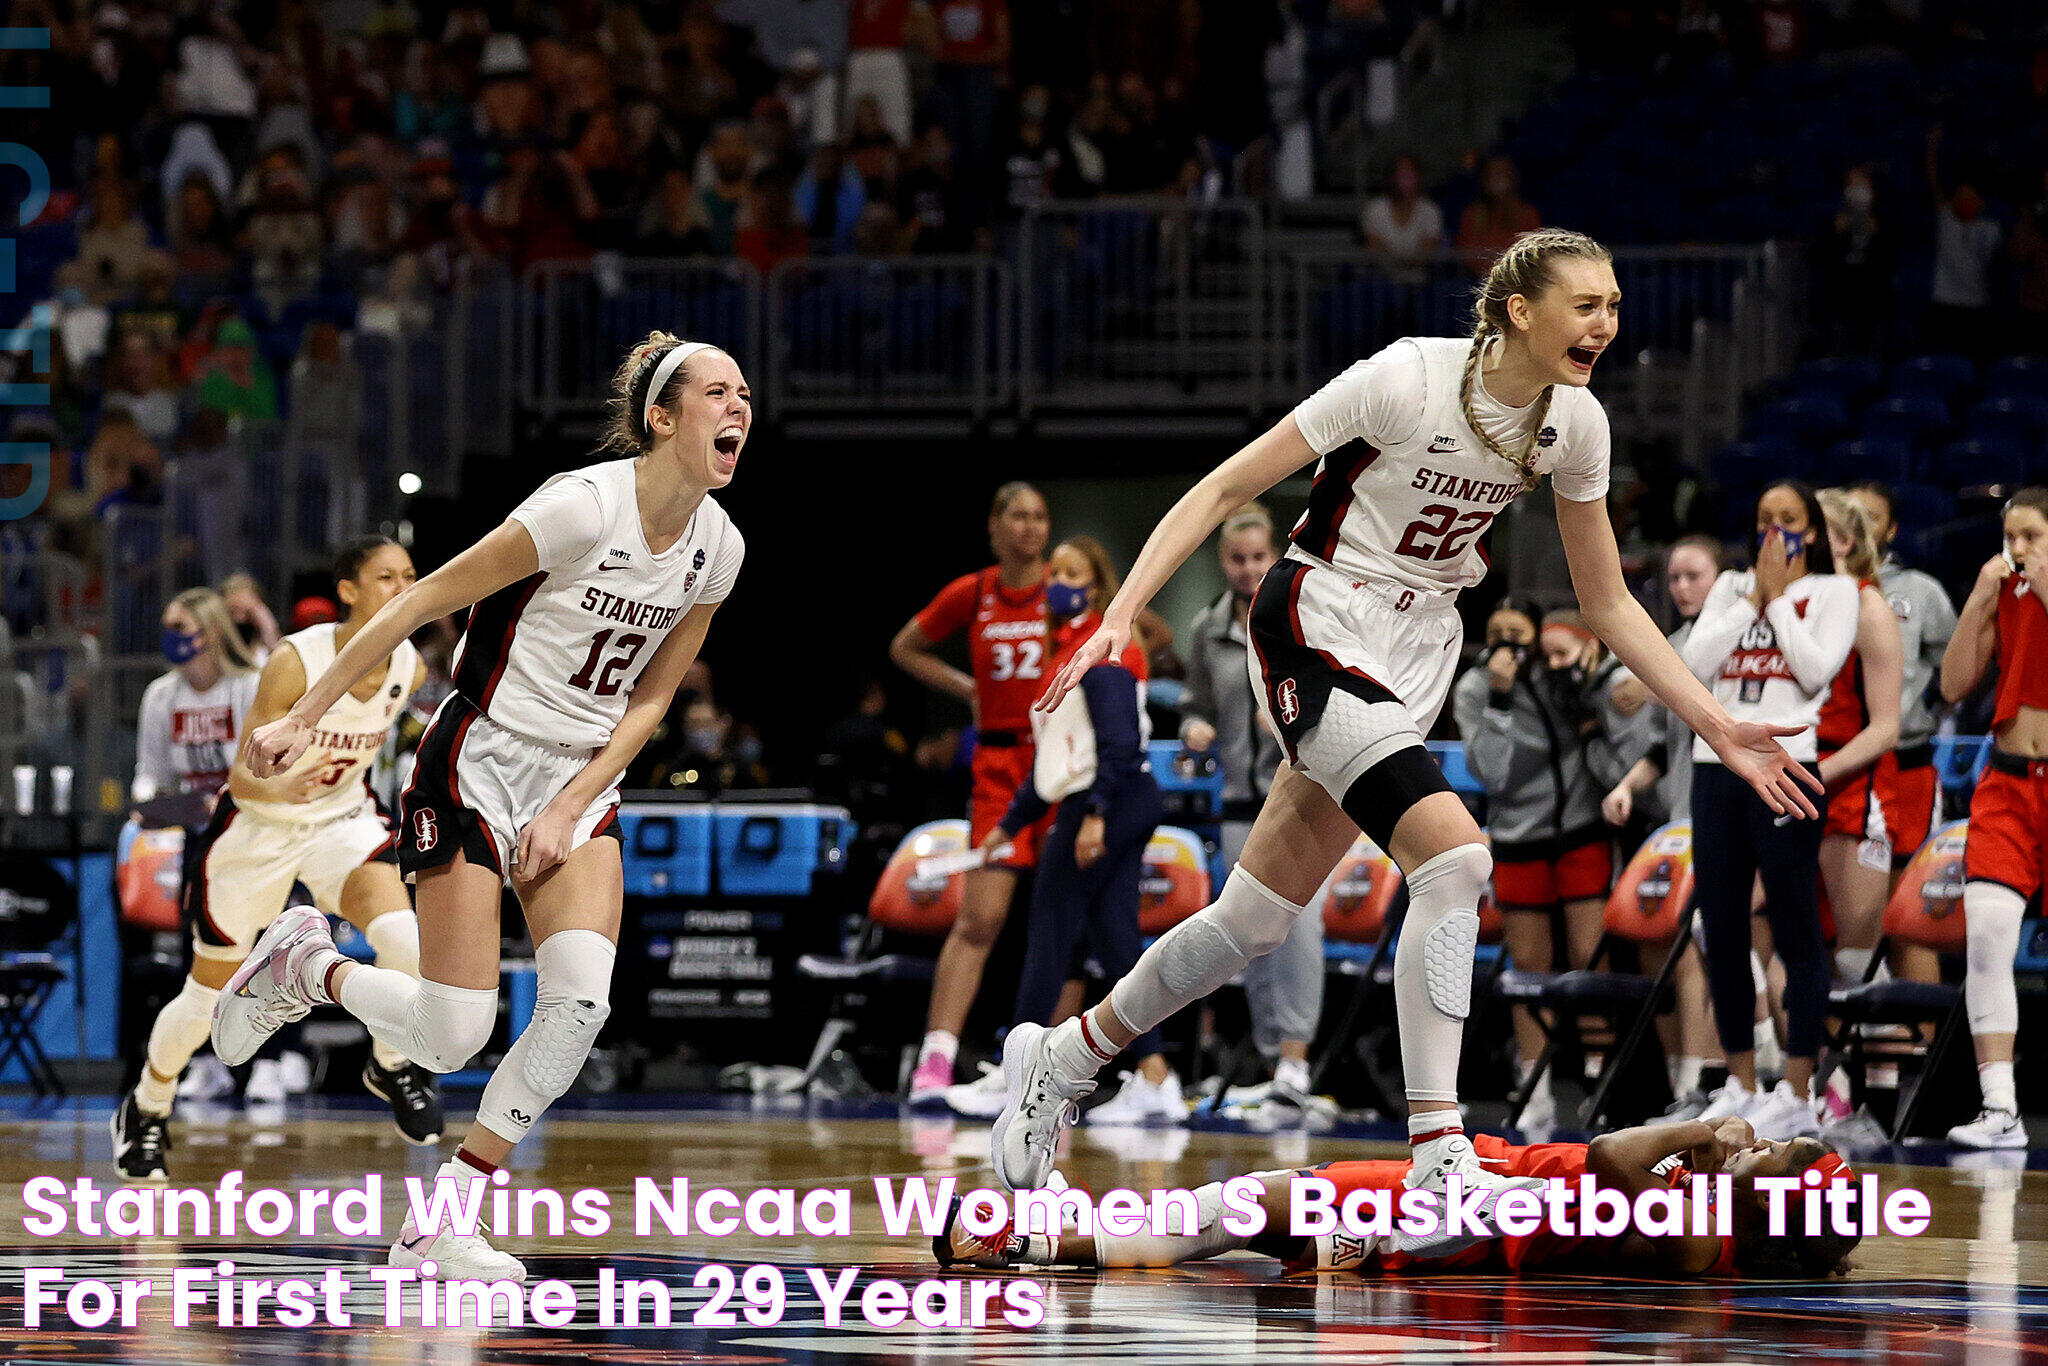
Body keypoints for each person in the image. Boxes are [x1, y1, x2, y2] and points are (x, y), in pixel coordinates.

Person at [987, 229, 1822, 1207]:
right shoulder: (1403, 381)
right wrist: (1121, 615)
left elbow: (1606, 605)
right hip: (1321, 611)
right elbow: (1224, 487)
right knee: (1456, 859)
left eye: (1612, 304)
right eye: (1586, 303)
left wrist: (1715, 725)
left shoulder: (1574, 424)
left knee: (1252, 921)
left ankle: (1062, 1058)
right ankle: (1438, 1146)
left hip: (1420, 643)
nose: (1606, 322)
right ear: (1518, 310)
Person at [213, 334, 749, 1278]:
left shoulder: (720, 548)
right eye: (718, 392)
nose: (740, 407)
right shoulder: (580, 509)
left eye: (745, 393)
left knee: (580, 1007)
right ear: (662, 419)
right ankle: (308, 966)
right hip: (481, 754)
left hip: (579, 776)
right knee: (453, 1033)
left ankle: (442, 1219)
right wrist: (305, 713)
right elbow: (420, 600)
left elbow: (655, 697)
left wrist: (577, 800)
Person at [113, 538, 439, 1181]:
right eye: (384, 576)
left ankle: (392, 1064)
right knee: (204, 997)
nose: (401, 587)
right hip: (258, 829)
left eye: (410, 575)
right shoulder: (298, 660)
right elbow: (244, 778)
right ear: (347, 589)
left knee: (407, 942)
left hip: (340, 822)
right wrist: (283, 785)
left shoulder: (410, 667)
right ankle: (147, 1105)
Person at [936, 1116, 1859, 1281]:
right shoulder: (1713, 1223)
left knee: (1255, 1208)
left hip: (1474, 1222)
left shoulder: (1704, 1243)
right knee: (1257, 1217)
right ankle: (1057, 1238)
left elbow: (1614, 1155)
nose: (1759, 1144)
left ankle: (1029, 1244)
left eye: (1773, 1156)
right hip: (1478, 1202)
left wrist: (1703, 1126)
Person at [977, 536, 1178, 1123]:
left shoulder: (1104, 646)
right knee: (1116, 942)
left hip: (1107, 801)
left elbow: (1119, 744)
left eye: (1072, 573)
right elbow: (1051, 769)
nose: (1058, 582)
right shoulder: (1063, 649)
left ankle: (1019, 1077)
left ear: (1095, 587)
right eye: (1054, 572)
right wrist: (1006, 828)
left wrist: (1094, 815)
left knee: (1050, 928)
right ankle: (1154, 1077)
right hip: (1102, 799)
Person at [1683, 483, 1857, 1139]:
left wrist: (1779, 598)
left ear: (1810, 532)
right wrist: (1752, 597)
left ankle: (1799, 1089)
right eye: (1764, 521)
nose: (1775, 532)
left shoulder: (1834, 593)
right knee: (1721, 925)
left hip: (1790, 762)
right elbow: (1693, 666)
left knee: (1793, 924)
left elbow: (1815, 672)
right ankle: (1740, 1081)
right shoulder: (1730, 586)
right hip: (1718, 766)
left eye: (1788, 521)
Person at [1453, 605, 1645, 1129]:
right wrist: (1500, 697)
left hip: (1581, 829)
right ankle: (1533, 1087)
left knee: (1590, 961)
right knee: (1530, 971)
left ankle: (1597, 1082)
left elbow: (1612, 715)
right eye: (1494, 634)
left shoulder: (1558, 674)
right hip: (1519, 837)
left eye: (1517, 634)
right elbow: (1493, 771)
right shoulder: (1474, 688)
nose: (1506, 644)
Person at [891, 483, 1052, 1107]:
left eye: (1039, 517)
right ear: (994, 526)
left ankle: (1050, 1072)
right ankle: (935, 1061)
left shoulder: (1065, 590)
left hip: (1060, 763)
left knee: (1057, 923)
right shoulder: (977, 592)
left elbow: (1147, 635)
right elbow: (905, 647)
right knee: (981, 917)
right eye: (1017, 515)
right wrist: (966, 688)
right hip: (998, 765)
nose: (1029, 528)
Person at [1179, 503, 1323, 1106]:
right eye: (1237, 560)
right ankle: (1268, 1063)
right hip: (1238, 802)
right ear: (1223, 562)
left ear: (1278, 554)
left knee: (1300, 930)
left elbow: (1330, 693)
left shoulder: (1301, 617)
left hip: (1297, 793)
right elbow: (1197, 703)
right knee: (1246, 932)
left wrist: (1288, 717)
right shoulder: (1206, 629)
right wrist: (1193, 726)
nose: (1248, 569)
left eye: (1260, 557)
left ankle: (1296, 1057)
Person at [1938, 488, 2048, 1150]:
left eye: (2032, 535)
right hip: (2007, 785)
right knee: (1986, 936)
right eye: (2010, 537)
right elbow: (1953, 685)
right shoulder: (2003, 592)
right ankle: (2000, 1109)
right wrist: (1981, 597)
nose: (2017, 550)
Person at [1812, 490, 1903, 990]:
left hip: (1852, 784)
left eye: (1812, 526)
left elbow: (1886, 727)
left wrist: (1816, 774)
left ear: (1845, 542)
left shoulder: (1869, 607)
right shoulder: (1791, 600)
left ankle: (1895, 1069)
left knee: (1853, 960)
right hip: (1793, 778)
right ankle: (1788, 1060)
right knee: (1750, 928)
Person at [1843, 481, 1957, 874]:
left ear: (1891, 530)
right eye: (1849, 517)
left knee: (1904, 894)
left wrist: (1926, 708)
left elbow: (1954, 668)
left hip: (1907, 763)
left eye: (1870, 518)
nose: (1857, 527)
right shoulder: (1817, 590)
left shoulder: (1921, 591)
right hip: (1839, 767)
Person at [130, 588, 261, 806]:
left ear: (211, 631)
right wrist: (145, 801)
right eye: (167, 628)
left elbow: (260, 768)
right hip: (187, 809)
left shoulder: (249, 686)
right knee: (132, 832)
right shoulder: (159, 693)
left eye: (179, 627)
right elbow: (151, 772)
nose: (170, 636)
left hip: (243, 807)